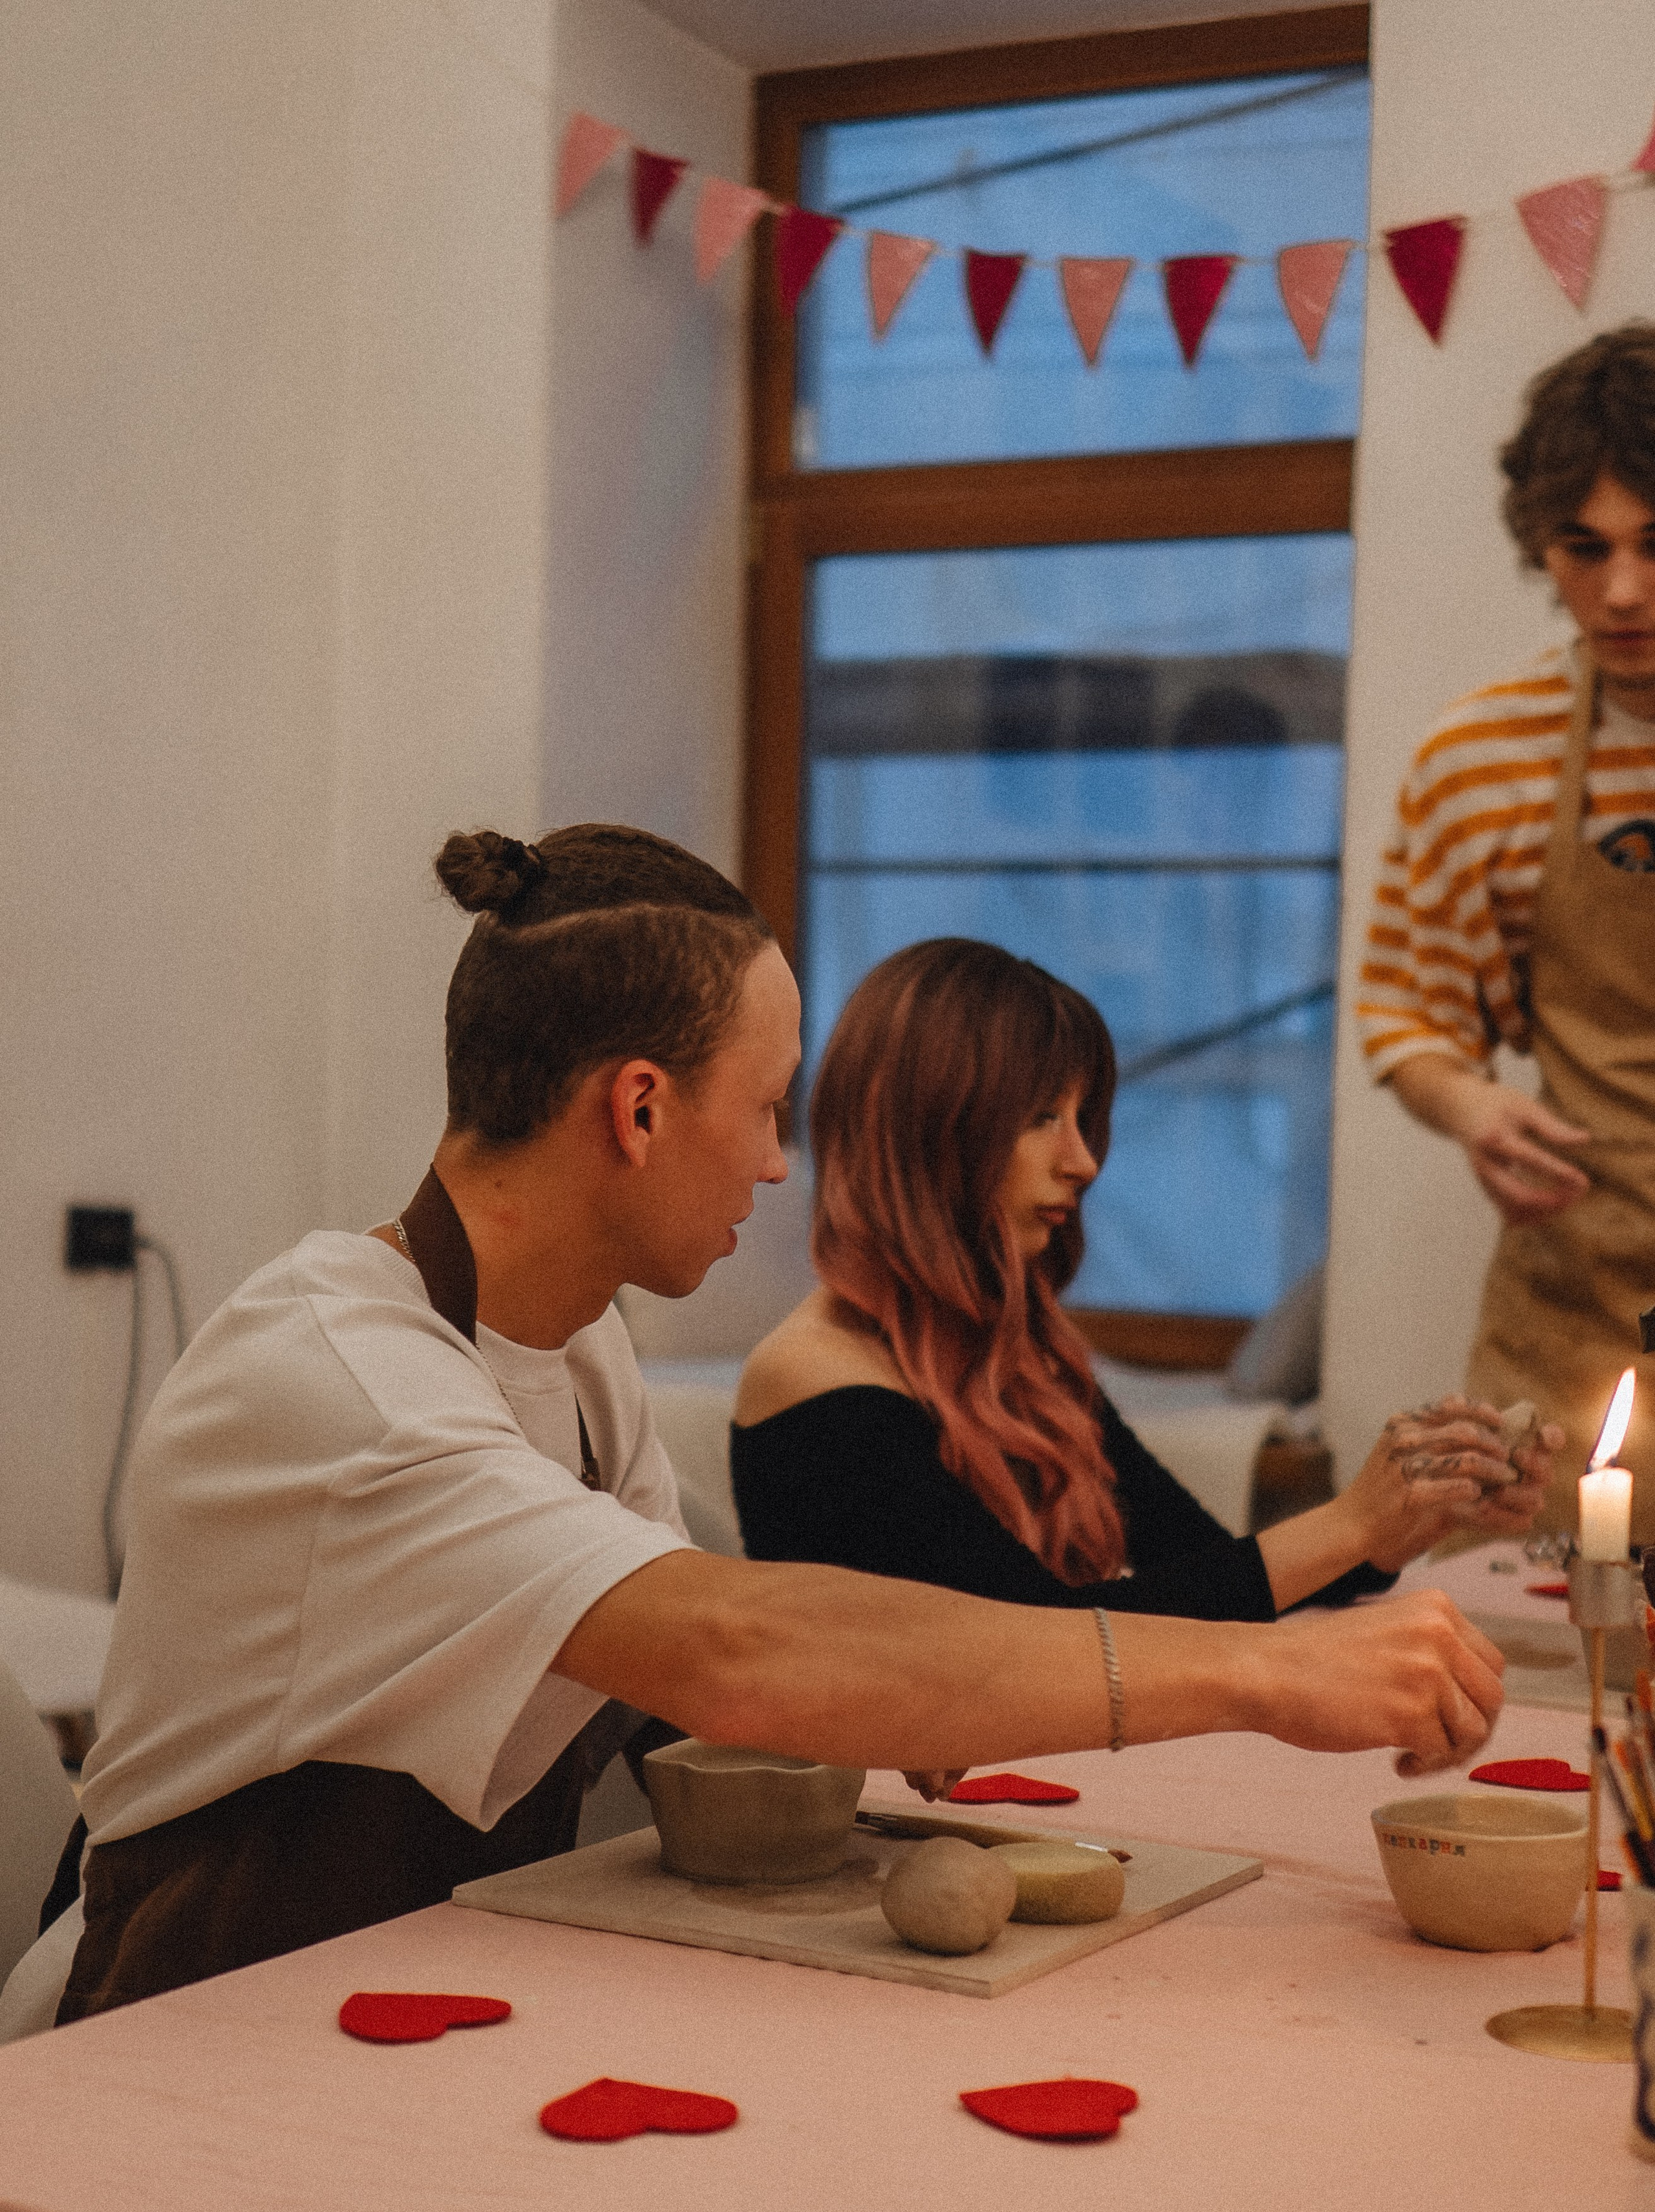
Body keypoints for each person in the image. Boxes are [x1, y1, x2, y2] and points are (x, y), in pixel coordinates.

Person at [56, 826, 1506, 2022]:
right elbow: (737, 1652)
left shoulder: (581, 1347)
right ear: (638, 1110)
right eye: (762, 1109)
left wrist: (923, 1695)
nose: (774, 1163)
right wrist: (1265, 1672)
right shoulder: (355, 1382)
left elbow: (689, 1679)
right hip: (179, 2025)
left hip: (392, 1986)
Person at [732, 941, 1555, 1620]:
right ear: (930, 1132)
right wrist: (1348, 1524)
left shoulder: (1019, 1355)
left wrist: (1405, 1519)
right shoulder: (812, 1375)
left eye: (1081, 1119)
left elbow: (1198, 1568)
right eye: (1041, 1118)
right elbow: (1037, 1643)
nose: (1082, 1161)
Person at [1356, 324, 1655, 1537]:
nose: (1622, 592)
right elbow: (1406, 1009)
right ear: (1542, 547)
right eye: (1586, 549)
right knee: (1541, 1636)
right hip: (1572, 1332)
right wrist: (1471, 1107)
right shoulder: (1481, 757)